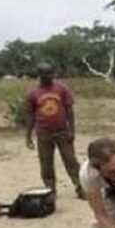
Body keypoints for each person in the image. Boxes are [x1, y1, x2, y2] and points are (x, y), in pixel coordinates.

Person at [25, 62, 84, 199]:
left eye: (51, 73)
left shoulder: (62, 89)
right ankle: (50, 191)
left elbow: (69, 110)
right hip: (43, 133)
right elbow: (30, 115)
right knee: (46, 164)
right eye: (45, 74)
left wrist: (72, 130)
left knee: (71, 161)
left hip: (63, 132)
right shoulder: (32, 93)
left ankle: (81, 188)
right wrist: (28, 136)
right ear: (39, 75)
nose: (49, 76)